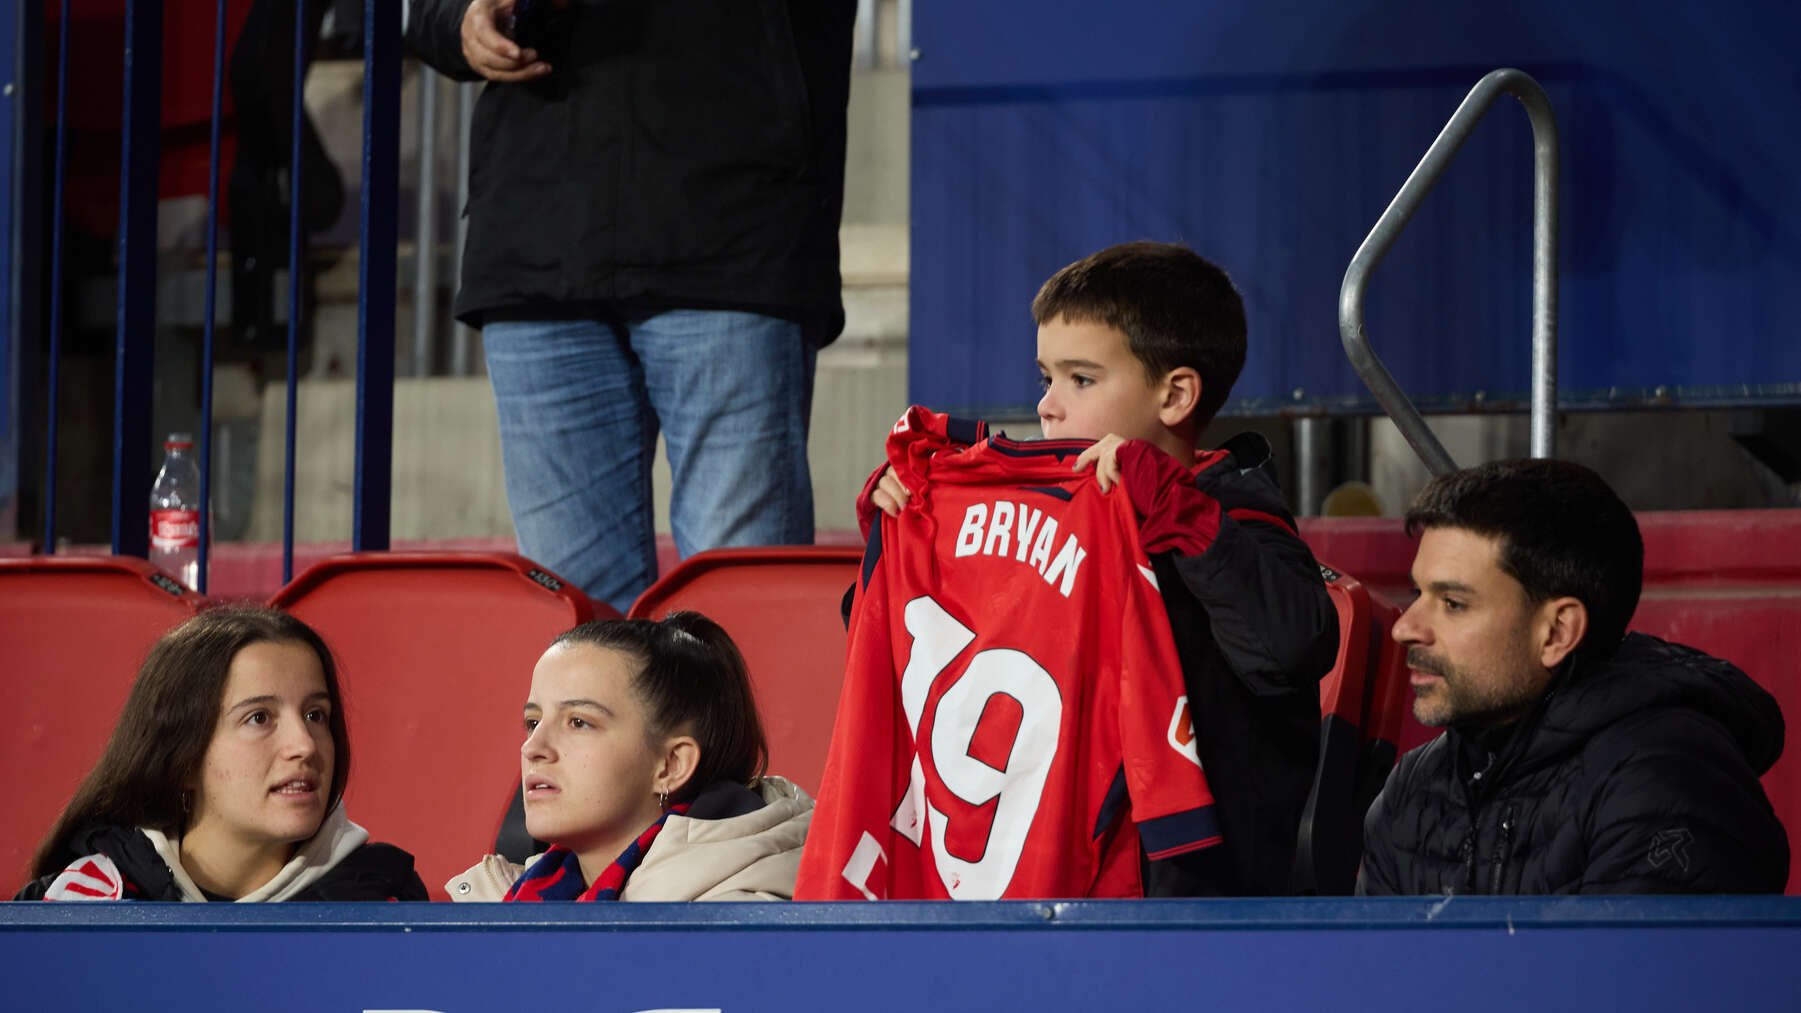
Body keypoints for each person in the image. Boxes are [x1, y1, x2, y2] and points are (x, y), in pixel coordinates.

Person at [861, 241, 1339, 896]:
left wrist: (1179, 513)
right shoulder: (1032, 518)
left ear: (1175, 395)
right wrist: (900, 545)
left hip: (1197, 909)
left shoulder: (1234, 515)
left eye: (1080, 380)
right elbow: (896, 664)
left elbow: (1294, 644)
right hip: (1040, 887)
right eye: (1045, 379)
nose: (1047, 406)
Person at [405, 1, 855, 613]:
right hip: (537, 238)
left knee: (741, 622)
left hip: (733, 228)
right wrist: (457, 20)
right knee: (580, 643)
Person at [1358, 459, 1789, 895]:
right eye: (1417, 593)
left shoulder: (1664, 781)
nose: (1405, 628)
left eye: (1453, 603)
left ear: (1557, 632)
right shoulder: (1413, 788)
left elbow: (1632, 943)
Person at [16, 607, 427, 901]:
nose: (304, 745)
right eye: (259, 718)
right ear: (182, 758)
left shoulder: (383, 902)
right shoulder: (85, 902)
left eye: (315, 714)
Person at [449, 612, 813, 901]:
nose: (533, 748)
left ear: (671, 765)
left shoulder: (741, 919)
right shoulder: (513, 897)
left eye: (578, 722)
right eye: (533, 722)